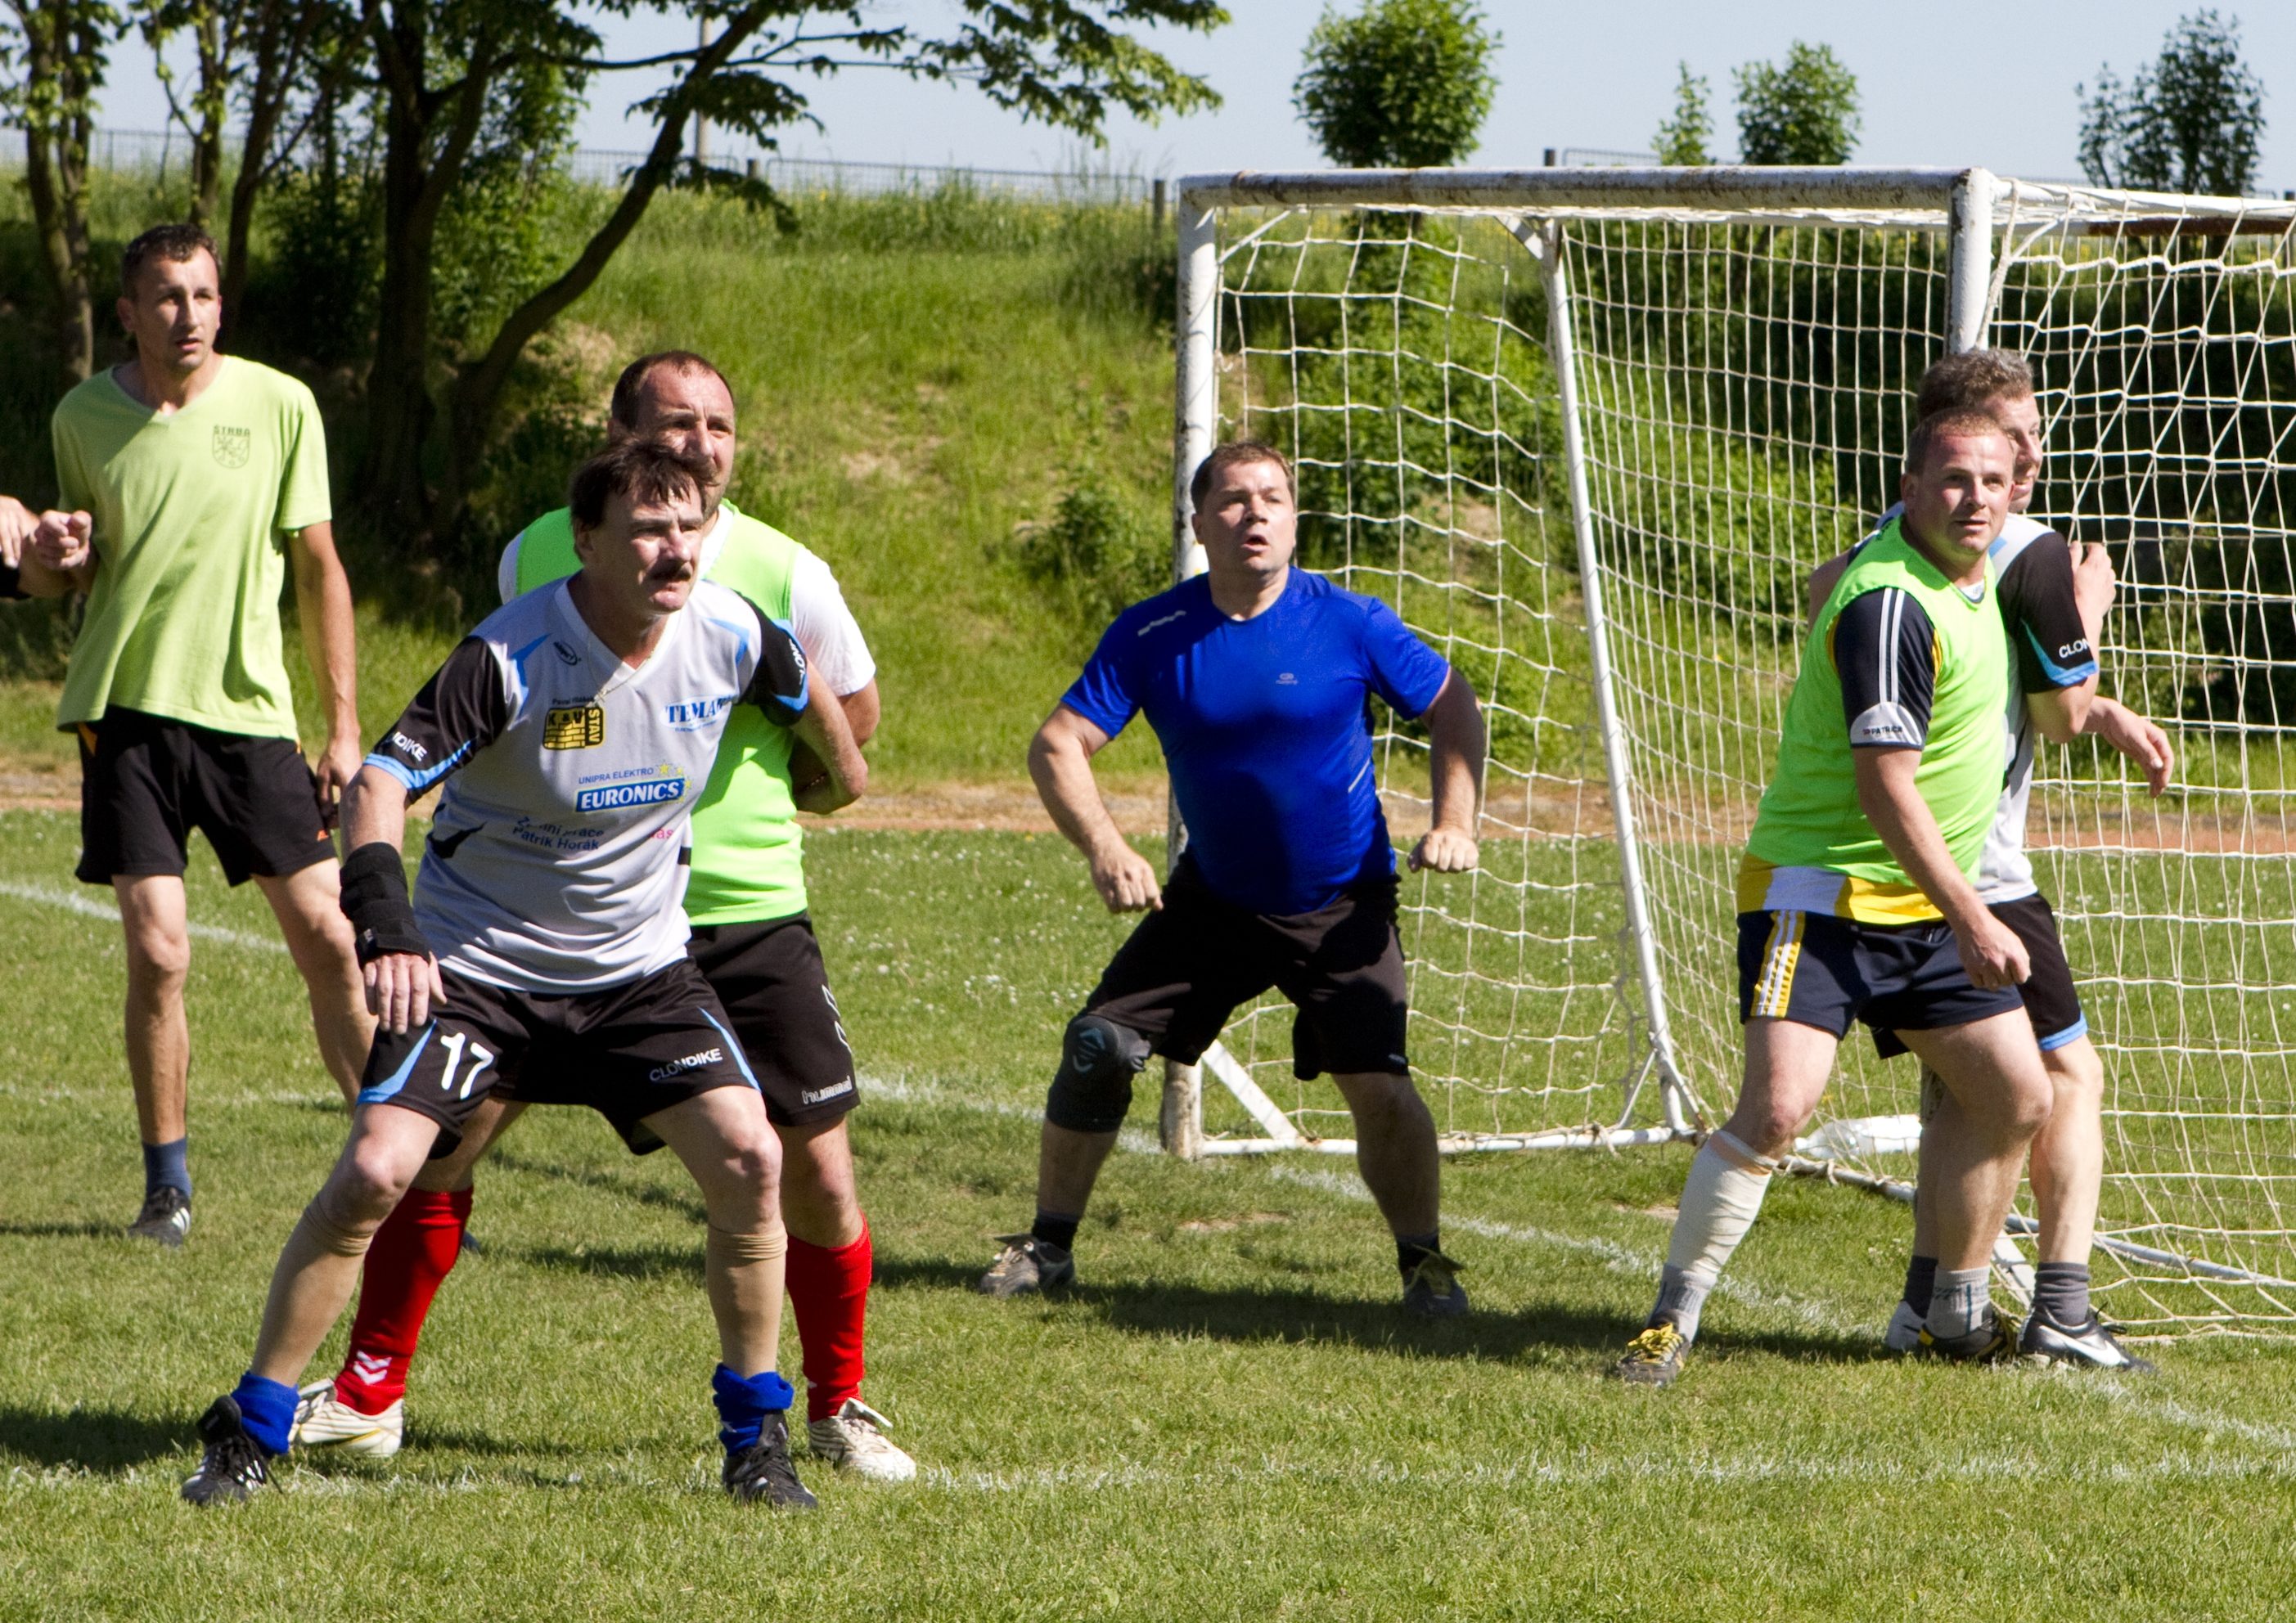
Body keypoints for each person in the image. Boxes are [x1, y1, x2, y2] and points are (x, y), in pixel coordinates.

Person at [179, 438, 867, 1508]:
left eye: (687, 524)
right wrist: (387, 925)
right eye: (644, 527)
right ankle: (250, 1429)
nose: (671, 547)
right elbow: (376, 787)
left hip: (637, 974)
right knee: (374, 1169)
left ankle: (755, 1438)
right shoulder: (508, 657)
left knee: (748, 1159)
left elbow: (808, 693)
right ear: (586, 541)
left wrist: (841, 775)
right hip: (478, 969)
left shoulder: (732, 631)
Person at [977, 440, 1488, 1315]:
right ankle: (1047, 1246)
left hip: (1340, 904)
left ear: (1295, 520)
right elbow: (1057, 743)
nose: (1255, 514)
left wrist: (1455, 821)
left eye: (1273, 499)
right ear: (1198, 522)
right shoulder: (1152, 632)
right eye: (1234, 500)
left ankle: (1425, 1264)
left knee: (1379, 1083)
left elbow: (1452, 702)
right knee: (1097, 1045)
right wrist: (1106, 846)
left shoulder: (1350, 620)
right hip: (1212, 900)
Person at [1614, 405, 2056, 1387]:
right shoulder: (1890, 601)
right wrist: (1974, 912)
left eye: (1990, 481)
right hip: (1818, 895)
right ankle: (1668, 1319)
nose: (1973, 498)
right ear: (1908, 488)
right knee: (1776, 1110)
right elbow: (1883, 785)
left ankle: (1946, 1317)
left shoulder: (1980, 581)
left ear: (2015, 487)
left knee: (2015, 1097)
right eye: (1951, 479)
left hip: (1921, 903)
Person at [1808, 351, 2173, 1370]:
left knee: (1974, 1095)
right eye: (2017, 433)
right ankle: (2059, 1306)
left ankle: (1929, 1304)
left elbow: (1821, 593)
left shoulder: (1894, 540)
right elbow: (2051, 715)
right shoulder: (2035, 552)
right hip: (1979, 872)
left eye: (2030, 437)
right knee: (2066, 1077)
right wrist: (2088, 614)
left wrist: (2101, 708)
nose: (2030, 452)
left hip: (1878, 862)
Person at [29, 223, 370, 1247]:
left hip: (248, 718)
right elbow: (69, 575)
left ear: (223, 305)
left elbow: (320, 572)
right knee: (160, 951)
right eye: (168, 298)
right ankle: (166, 1190)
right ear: (128, 311)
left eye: (205, 295)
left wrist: (342, 728)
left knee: (334, 944)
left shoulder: (279, 406)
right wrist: (59, 554)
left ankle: (399, 1171)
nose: (190, 315)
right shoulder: (82, 415)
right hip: (126, 716)